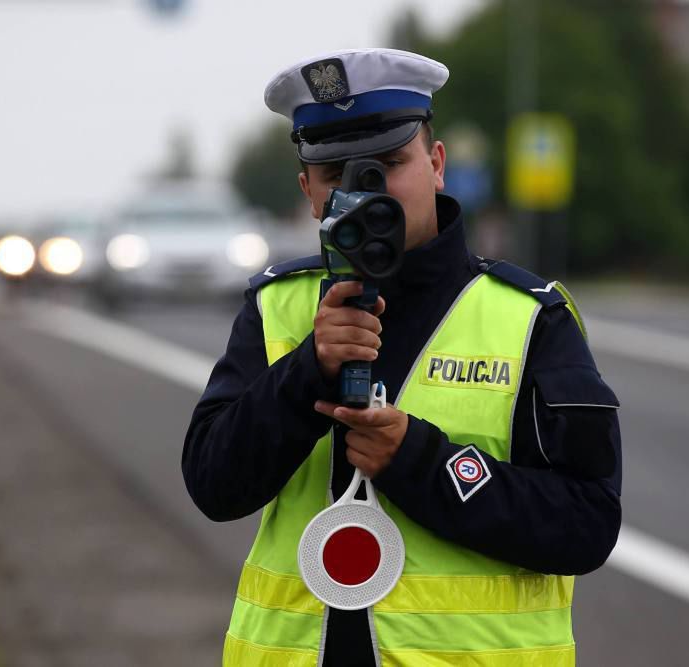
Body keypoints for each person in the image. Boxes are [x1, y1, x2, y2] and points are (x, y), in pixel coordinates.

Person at [182, 48, 622, 666]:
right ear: (308, 190)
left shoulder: (529, 318)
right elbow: (213, 486)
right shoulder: (276, 306)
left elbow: (588, 525)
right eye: (336, 175)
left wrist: (419, 461)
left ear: (436, 164)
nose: (369, 192)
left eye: (391, 163)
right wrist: (308, 369)